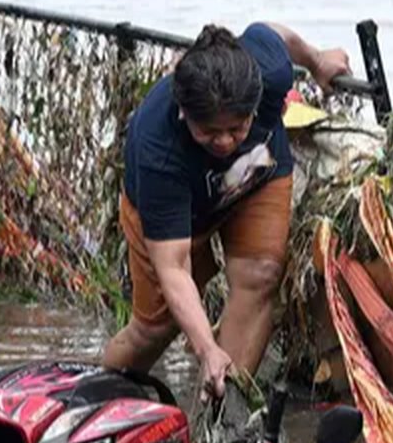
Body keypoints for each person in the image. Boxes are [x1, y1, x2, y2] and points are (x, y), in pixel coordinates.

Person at [102, 23, 350, 401]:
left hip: (256, 177)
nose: (224, 141)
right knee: (155, 329)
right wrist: (206, 347)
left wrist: (317, 61)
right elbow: (173, 267)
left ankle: (227, 412)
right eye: (209, 132)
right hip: (180, 211)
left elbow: (273, 33)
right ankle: (94, 396)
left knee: (262, 276)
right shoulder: (158, 145)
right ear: (184, 113)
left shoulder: (268, 72)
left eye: (237, 127)